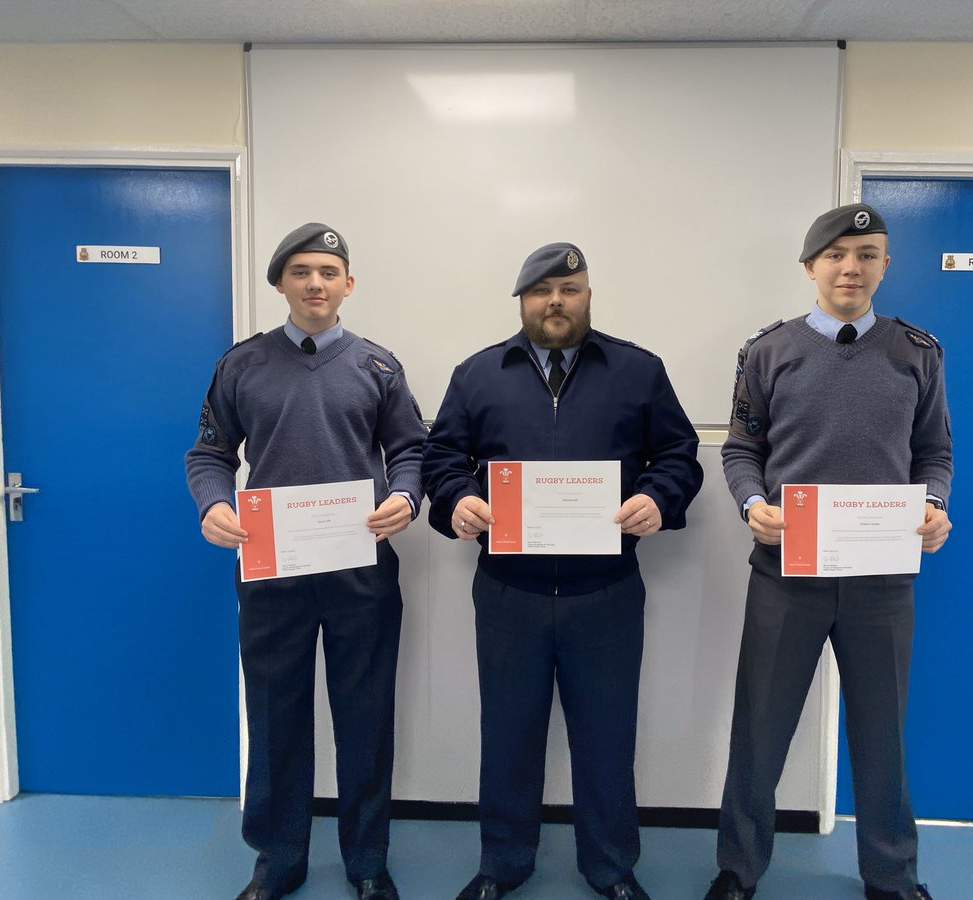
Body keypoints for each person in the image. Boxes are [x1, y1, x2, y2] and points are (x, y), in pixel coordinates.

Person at [422, 242, 704, 900]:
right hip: (507, 594)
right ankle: (503, 865)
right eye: (542, 290)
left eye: (569, 288)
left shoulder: (638, 370)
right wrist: (458, 499)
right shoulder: (477, 374)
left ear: (588, 296)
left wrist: (657, 498)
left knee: (607, 738)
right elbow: (442, 457)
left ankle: (611, 868)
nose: (555, 301)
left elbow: (680, 454)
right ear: (521, 300)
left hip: (604, 593)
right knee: (508, 736)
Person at [705, 204, 953, 900]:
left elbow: (933, 451)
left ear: (884, 265)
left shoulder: (918, 352)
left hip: (881, 583)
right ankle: (738, 871)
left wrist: (934, 505)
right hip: (788, 576)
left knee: (883, 739)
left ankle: (893, 876)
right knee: (760, 731)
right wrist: (754, 504)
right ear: (811, 265)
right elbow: (741, 449)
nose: (852, 267)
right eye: (838, 254)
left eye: (868, 254)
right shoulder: (767, 351)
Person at [185, 223, 426, 900]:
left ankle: (368, 862)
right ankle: (279, 858)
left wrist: (406, 495)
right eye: (300, 271)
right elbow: (208, 455)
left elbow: (411, 449)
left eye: (328, 270)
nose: (315, 283)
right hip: (272, 571)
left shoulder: (378, 366)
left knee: (366, 718)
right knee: (275, 716)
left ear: (348, 283)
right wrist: (211, 506)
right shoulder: (242, 365)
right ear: (281, 284)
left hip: (362, 573)